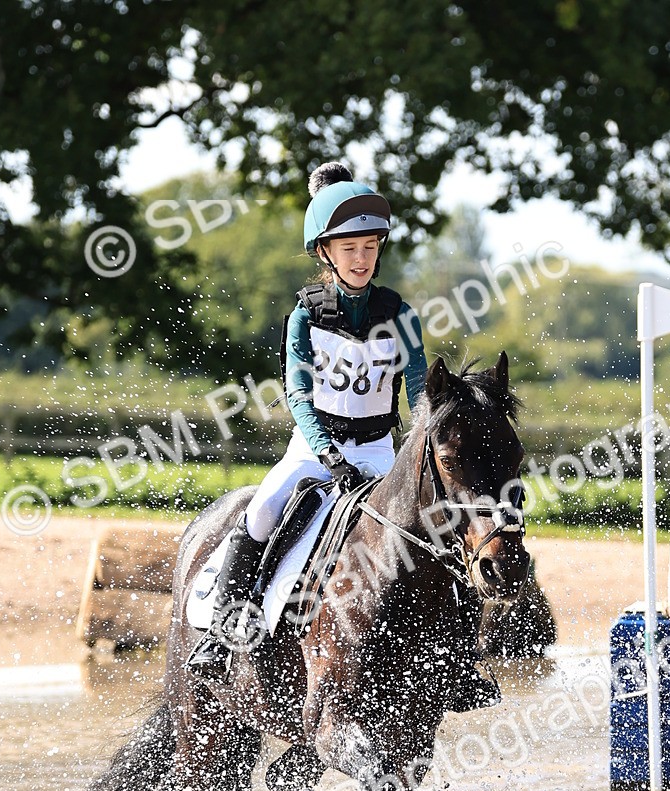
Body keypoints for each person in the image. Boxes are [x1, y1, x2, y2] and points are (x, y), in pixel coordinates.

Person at [187, 161, 499, 710]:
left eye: (370, 248)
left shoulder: (399, 314)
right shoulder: (304, 319)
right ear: (325, 253)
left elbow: (422, 393)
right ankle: (220, 633)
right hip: (315, 449)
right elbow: (300, 398)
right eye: (349, 248)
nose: (361, 259)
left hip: (381, 451)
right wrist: (330, 456)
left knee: (439, 524)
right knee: (261, 514)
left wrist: (430, 436)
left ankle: (458, 660)